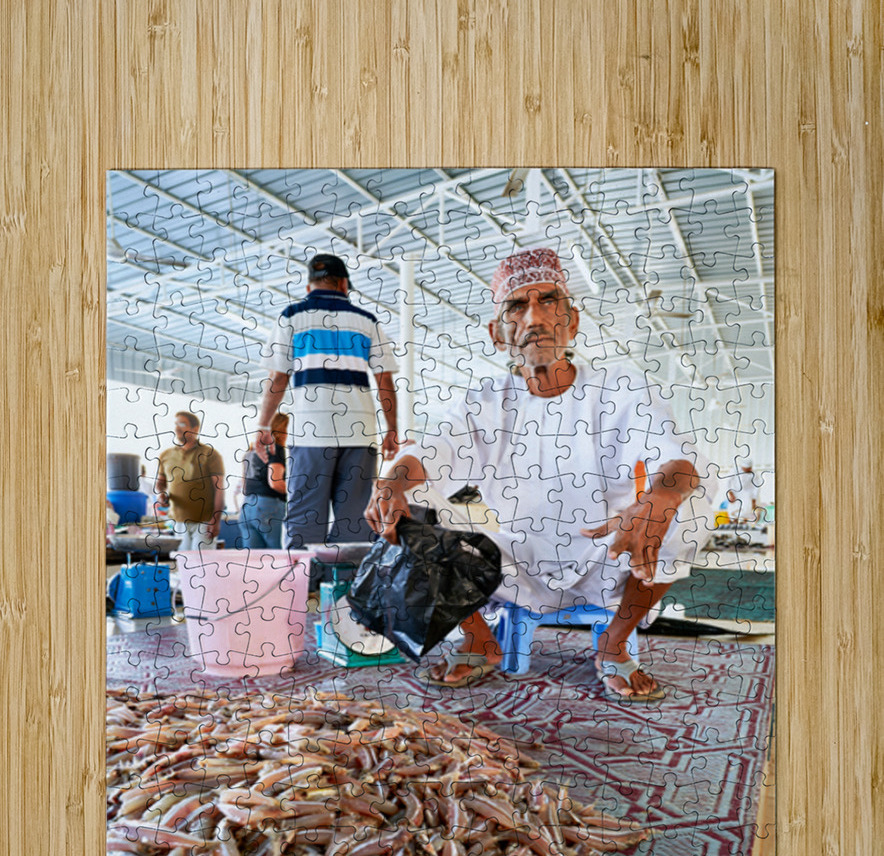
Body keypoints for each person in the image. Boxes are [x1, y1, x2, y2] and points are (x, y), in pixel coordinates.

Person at [366, 247, 714, 702]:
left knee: (687, 508)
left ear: (571, 322)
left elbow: (676, 461)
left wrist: (658, 501)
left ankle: (613, 644)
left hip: (608, 558)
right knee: (405, 508)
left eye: (549, 301)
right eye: (516, 306)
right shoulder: (484, 400)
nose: (534, 318)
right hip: (512, 565)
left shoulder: (620, 388)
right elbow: (433, 448)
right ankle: (477, 639)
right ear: (497, 333)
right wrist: (391, 484)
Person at [255, 253, 400, 555]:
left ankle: (298, 591)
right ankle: (349, 594)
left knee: (304, 519)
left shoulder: (292, 316)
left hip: (310, 434)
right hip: (360, 434)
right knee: (356, 522)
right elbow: (385, 381)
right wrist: (392, 430)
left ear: (309, 287)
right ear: (344, 283)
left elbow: (277, 379)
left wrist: (263, 425)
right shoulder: (367, 321)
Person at [155, 411, 226, 551]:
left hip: (205, 522)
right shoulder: (166, 455)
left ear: (195, 428)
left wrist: (216, 520)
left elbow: (220, 489)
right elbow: (160, 484)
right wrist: (161, 493)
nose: (177, 428)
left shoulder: (210, 454)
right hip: (178, 521)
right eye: (176, 424)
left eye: (182, 424)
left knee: (201, 566)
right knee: (183, 564)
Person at [239, 412, 288, 549]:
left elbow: (244, 486)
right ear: (282, 430)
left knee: (254, 561)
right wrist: (296, 494)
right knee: (277, 557)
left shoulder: (250, 451)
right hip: (267, 507)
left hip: (247, 508)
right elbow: (275, 482)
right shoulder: (275, 449)